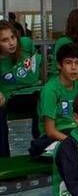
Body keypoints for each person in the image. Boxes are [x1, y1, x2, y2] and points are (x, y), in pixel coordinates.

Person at [29, 43, 78, 157]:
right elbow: (50, 131)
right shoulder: (50, 90)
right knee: (75, 152)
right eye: (68, 62)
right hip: (55, 137)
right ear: (59, 65)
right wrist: (76, 142)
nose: (73, 67)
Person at [0, 20, 41, 156]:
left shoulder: (26, 44)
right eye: (5, 40)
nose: (11, 43)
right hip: (11, 97)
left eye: (13, 37)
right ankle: (3, 159)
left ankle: (41, 148)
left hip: (34, 91)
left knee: (44, 100)